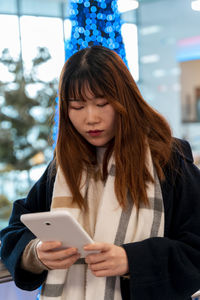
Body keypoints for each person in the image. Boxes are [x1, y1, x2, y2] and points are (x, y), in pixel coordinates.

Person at [1, 45, 200, 300]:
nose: (91, 118)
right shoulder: (63, 166)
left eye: (102, 103)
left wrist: (131, 260)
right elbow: (14, 229)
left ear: (125, 101)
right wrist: (36, 252)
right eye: (77, 106)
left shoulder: (167, 161)